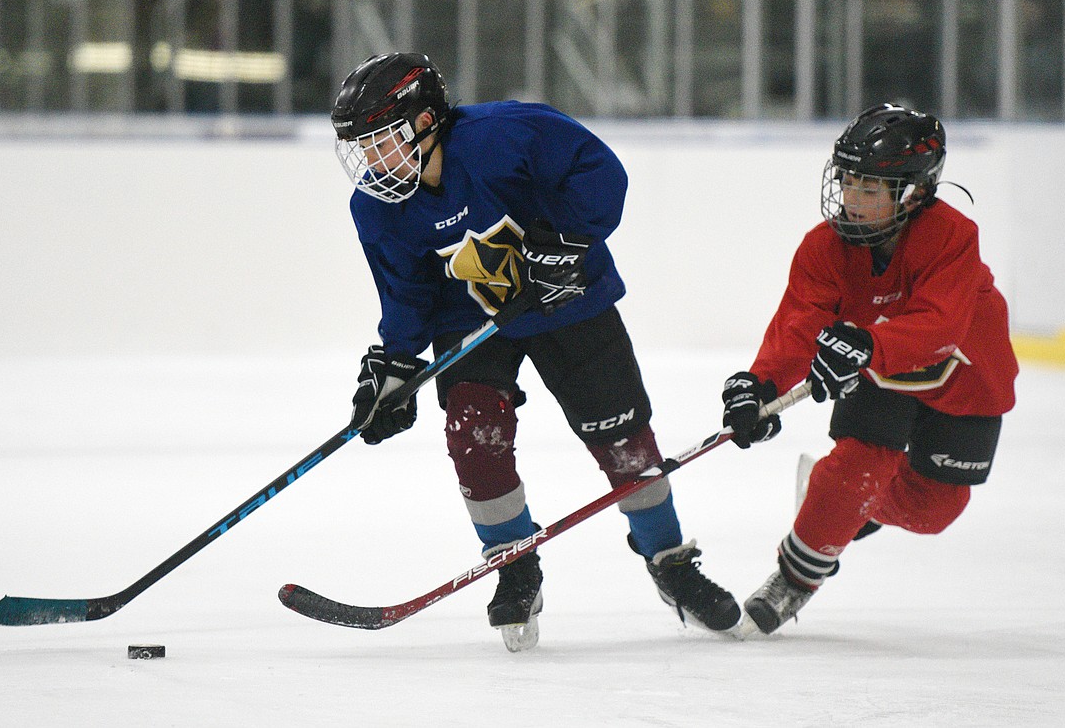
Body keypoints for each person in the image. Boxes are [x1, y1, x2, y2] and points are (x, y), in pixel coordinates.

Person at [331, 52, 740, 650]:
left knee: (622, 440)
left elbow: (600, 173)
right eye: (361, 148)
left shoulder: (505, 135)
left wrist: (564, 244)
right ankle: (513, 561)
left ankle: (670, 561)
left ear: (425, 121)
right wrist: (396, 362)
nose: (370, 161)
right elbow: (407, 289)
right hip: (471, 317)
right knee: (474, 435)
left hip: (569, 301)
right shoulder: (377, 207)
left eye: (380, 141)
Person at [720, 103, 1018, 635]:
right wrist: (760, 385)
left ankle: (840, 498)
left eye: (869, 189)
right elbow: (800, 323)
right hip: (879, 362)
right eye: (848, 182)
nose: (851, 201)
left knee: (934, 510)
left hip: (962, 371)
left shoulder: (953, 236)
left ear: (914, 192)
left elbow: (939, 325)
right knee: (858, 466)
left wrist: (866, 343)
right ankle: (795, 576)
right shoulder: (824, 246)